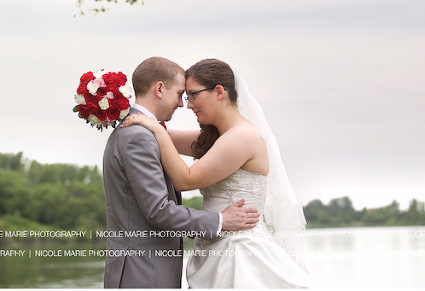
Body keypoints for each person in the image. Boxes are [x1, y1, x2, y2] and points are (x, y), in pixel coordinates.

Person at [121, 58, 311, 288]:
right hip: (214, 251)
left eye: (192, 95)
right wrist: (116, 112)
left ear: (219, 92)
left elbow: (185, 179)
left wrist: (157, 131)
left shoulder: (242, 137)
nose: (188, 105)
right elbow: (151, 131)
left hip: (240, 252)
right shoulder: (217, 139)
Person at [102, 56, 261, 288]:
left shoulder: (144, 131)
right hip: (143, 271)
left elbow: (169, 140)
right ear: (159, 89)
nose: (183, 104)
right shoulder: (139, 136)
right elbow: (158, 210)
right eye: (180, 94)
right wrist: (220, 220)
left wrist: (154, 127)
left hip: (154, 267)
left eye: (190, 96)